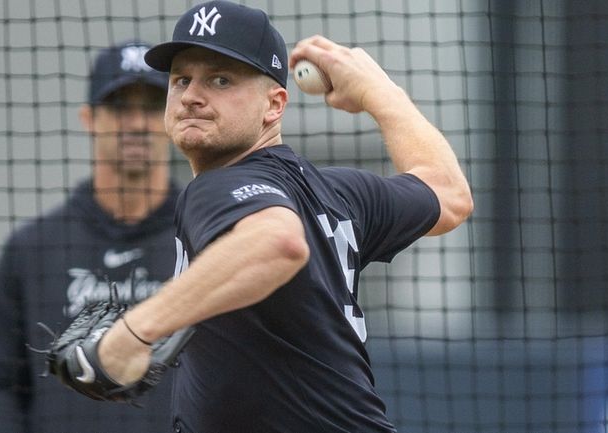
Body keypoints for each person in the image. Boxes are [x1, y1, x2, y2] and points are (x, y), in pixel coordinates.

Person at [90, 2, 472, 432]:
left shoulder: (216, 186)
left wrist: (134, 331)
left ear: (274, 106)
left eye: (220, 79)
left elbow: (278, 242)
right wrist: (379, 93)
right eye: (181, 79)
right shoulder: (337, 192)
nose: (192, 95)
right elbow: (448, 192)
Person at [0, 40, 181, 432]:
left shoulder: (206, 238)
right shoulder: (32, 249)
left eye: (152, 107)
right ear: (89, 118)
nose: (136, 124)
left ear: (172, 118)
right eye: (120, 107)